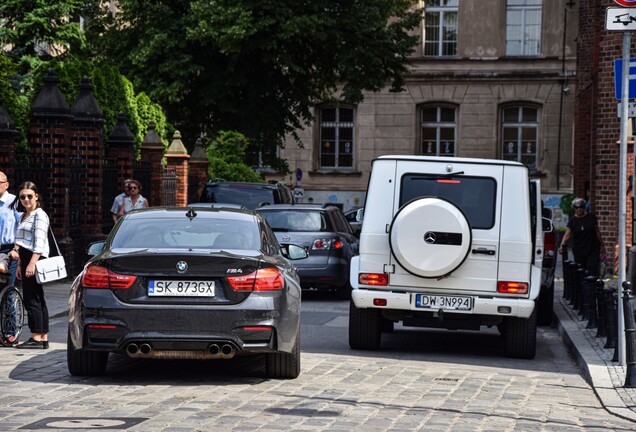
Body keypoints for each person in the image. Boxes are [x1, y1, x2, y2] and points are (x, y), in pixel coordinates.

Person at [9, 181, 50, 349]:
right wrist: (20, 264)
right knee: (36, 297)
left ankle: (37, 337)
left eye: (29, 196)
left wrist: (31, 263)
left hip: (34, 258)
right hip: (25, 258)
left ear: (37, 196)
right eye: (22, 197)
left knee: (32, 299)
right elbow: (22, 242)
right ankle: (42, 336)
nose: (26, 200)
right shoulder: (25, 215)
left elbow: (38, 242)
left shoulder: (39, 215)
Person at [559, 197, 604, 277]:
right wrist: (562, 245)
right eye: (576, 207)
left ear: (584, 207)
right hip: (579, 248)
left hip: (592, 247)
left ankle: (591, 287)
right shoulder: (572, 221)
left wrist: (602, 244)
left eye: (581, 207)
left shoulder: (591, 217)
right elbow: (567, 234)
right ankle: (582, 288)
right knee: (581, 269)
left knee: (591, 268)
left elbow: (597, 231)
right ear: (574, 208)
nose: (579, 209)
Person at [0, 171, 19, 285]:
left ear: (6, 185)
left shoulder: (14, 201)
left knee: (8, 289)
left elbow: (22, 226)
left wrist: (16, 249)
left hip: (8, 250)